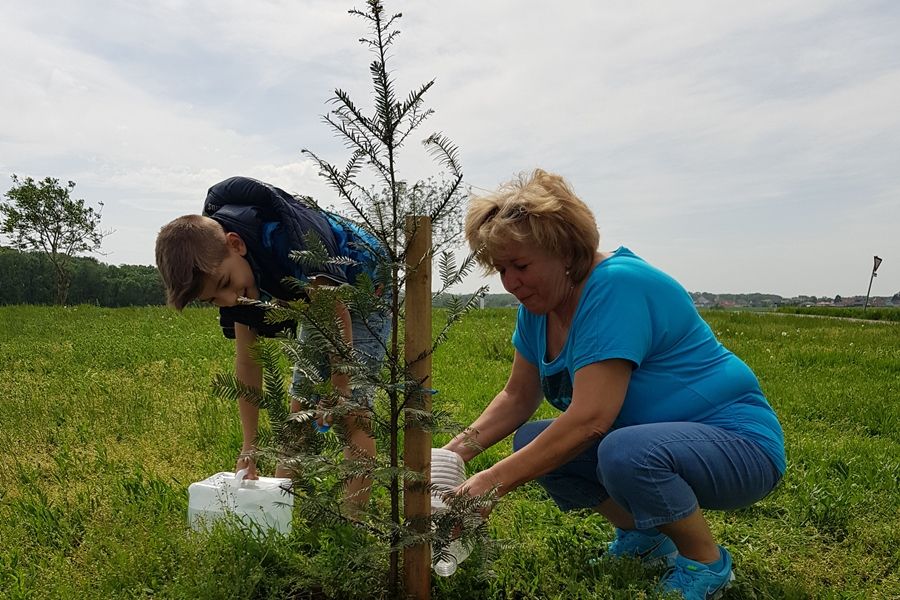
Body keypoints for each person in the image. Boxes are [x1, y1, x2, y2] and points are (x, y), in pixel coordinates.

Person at [442, 169, 785, 599]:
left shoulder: (615, 286)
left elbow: (591, 419)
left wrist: (489, 484)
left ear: (564, 251)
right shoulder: (538, 309)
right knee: (534, 441)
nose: (511, 283)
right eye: (502, 269)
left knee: (621, 450)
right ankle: (645, 540)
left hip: (738, 447)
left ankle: (705, 563)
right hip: (652, 443)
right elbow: (517, 397)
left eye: (522, 266)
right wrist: (451, 454)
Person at [155, 176, 390, 514]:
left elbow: (337, 313)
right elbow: (248, 362)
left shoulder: (288, 245)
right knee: (300, 413)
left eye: (225, 284)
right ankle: (279, 512)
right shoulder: (234, 286)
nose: (228, 298)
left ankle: (354, 523)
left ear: (236, 245)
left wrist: (339, 389)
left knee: (351, 412)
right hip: (317, 303)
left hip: (366, 289)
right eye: (213, 299)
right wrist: (250, 445)